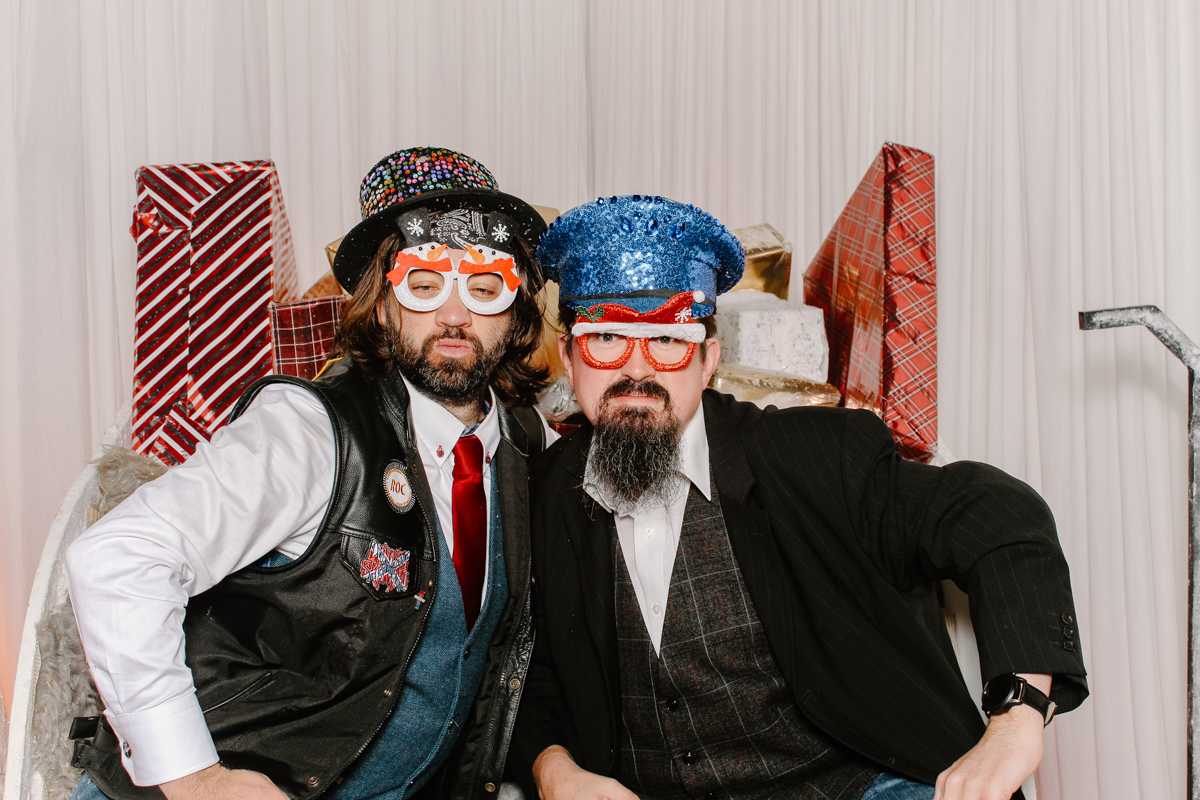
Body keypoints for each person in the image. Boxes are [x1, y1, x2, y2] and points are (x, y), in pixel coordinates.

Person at [509, 195, 1088, 800]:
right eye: (605, 338)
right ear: (571, 361)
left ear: (708, 361)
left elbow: (999, 516)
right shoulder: (544, 493)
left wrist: (1018, 717)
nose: (637, 369)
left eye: (668, 340)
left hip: (866, 785)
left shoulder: (814, 456)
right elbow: (534, 674)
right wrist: (557, 772)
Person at [66, 147, 556, 800]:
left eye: (485, 287)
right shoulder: (307, 430)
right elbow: (118, 557)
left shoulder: (528, 444)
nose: (455, 314)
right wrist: (195, 779)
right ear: (383, 305)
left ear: (519, 312)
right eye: (425, 284)